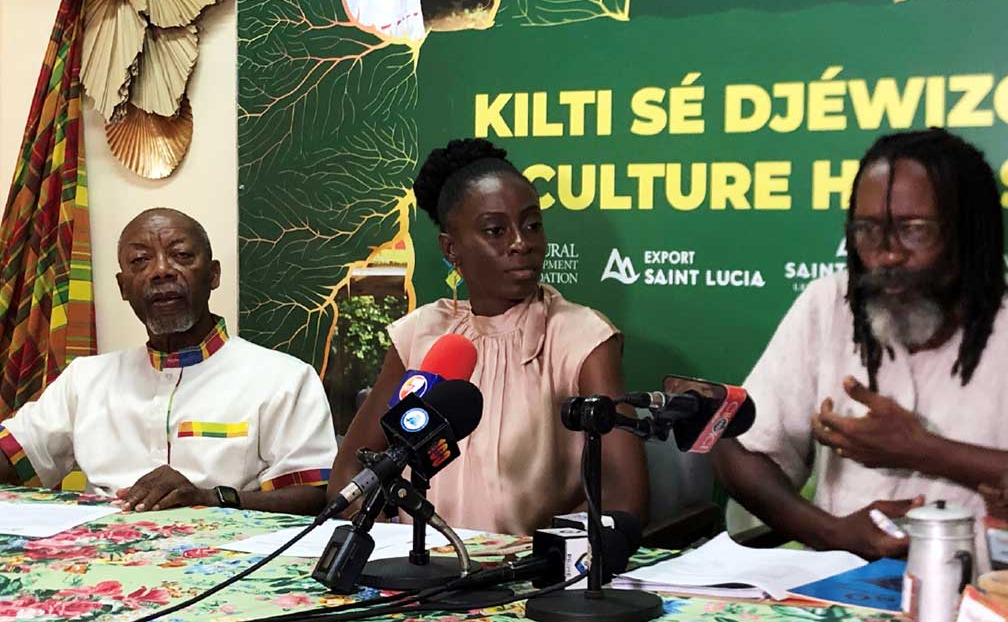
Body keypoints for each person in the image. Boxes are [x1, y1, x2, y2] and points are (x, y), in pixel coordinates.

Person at [713, 128, 1008, 561]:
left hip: (996, 596)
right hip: (841, 590)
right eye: (867, 231)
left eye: (915, 231)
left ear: (968, 231)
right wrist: (833, 532)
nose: (888, 254)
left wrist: (924, 449)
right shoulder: (830, 302)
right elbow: (737, 447)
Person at [331, 138, 648, 534]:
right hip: (415, 571)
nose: (522, 243)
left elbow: (624, 499)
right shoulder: (421, 333)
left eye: (532, 225)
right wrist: (382, 541)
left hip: (530, 578)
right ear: (451, 248)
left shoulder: (582, 337)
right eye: (496, 231)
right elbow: (350, 470)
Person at [0, 208, 336, 515]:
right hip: (98, 562)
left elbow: (313, 496)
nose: (161, 271)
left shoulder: (284, 379)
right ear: (123, 287)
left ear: (213, 275)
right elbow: (15, 455)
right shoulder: (86, 379)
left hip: (224, 562)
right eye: (140, 261)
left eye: (181, 255)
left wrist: (208, 498)